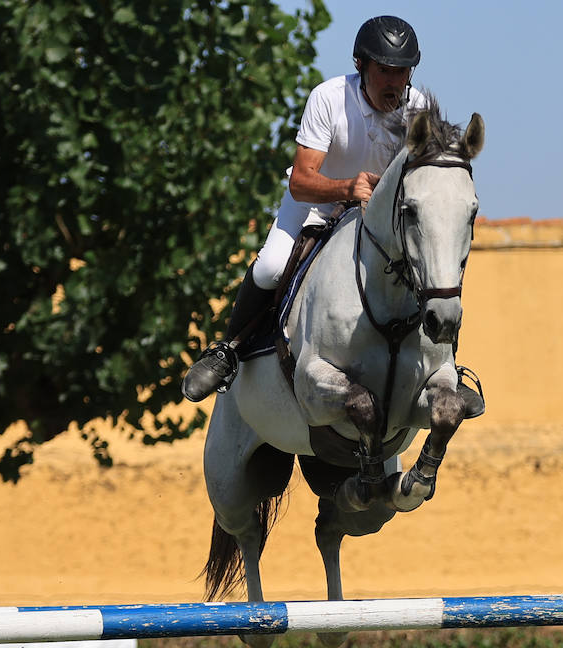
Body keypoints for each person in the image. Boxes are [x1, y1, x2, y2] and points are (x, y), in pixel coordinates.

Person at [182, 15, 428, 402]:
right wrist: (348, 187)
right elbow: (301, 181)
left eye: (402, 72)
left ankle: (441, 365)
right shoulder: (328, 98)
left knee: (430, 270)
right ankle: (227, 351)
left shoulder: (419, 107)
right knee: (271, 267)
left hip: (376, 217)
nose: (395, 83)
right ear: (360, 65)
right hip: (316, 203)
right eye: (385, 70)